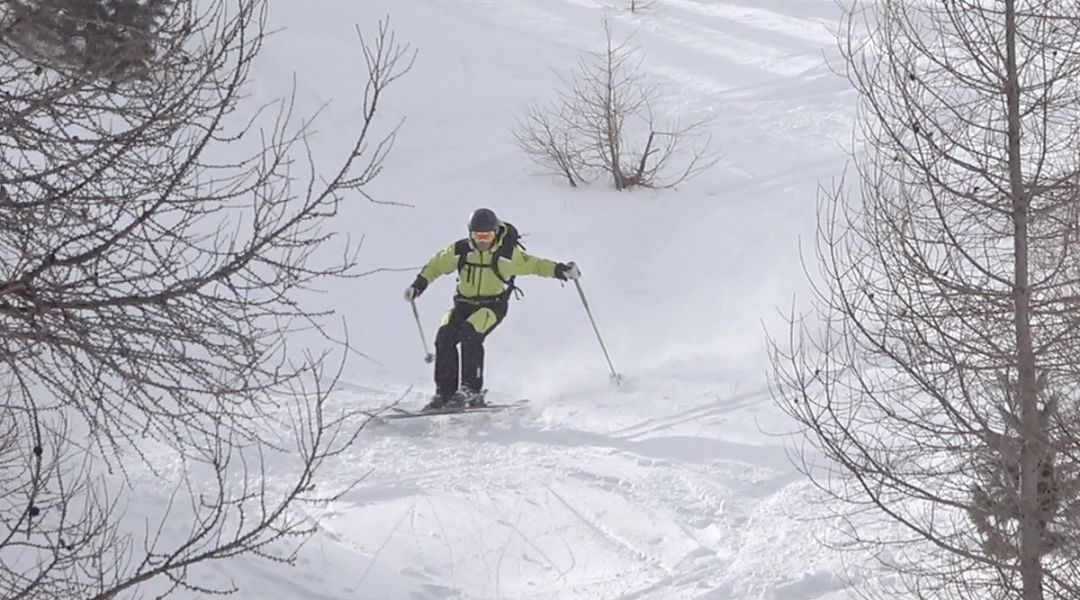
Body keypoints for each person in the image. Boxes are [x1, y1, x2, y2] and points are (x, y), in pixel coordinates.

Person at [404, 208, 580, 410]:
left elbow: (535, 265)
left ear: (495, 234)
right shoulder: (459, 251)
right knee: (445, 336)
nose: (482, 241)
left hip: (491, 306)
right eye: (477, 235)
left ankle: (471, 391)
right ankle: (445, 393)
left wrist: (561, 271)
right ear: (470, 234)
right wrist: (418, 286)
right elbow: (435, 265)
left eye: (487, 235)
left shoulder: (506, 256)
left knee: (471, 333)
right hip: (462, 305)